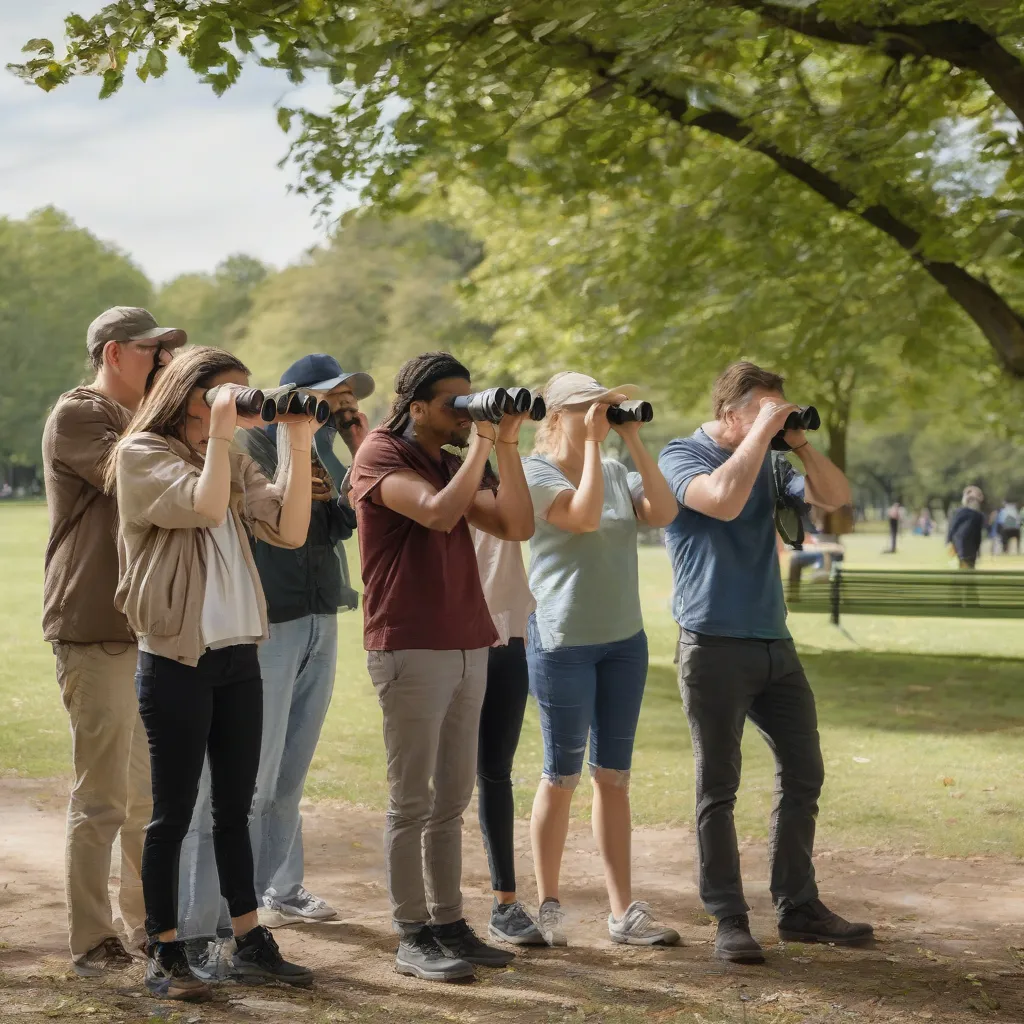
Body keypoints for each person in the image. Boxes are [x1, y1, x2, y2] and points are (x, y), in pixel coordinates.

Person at [107, 347, 315, 1002]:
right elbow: (199, 507)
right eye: (228, 393)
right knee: (171, 812)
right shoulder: (143, 455)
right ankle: (164, 947)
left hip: (237, 654)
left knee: (235, 808)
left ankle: (249, 938)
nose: (240, 403)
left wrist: (297, 442)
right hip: (174, 658)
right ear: (188, 392)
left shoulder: (236, 456)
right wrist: (224, 434)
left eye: (244, 394)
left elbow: (290, 528)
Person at [658, 362, 873, 965]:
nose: (776, 421)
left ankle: (798, 907)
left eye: (782, 410)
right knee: (717, 785)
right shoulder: (682, 455)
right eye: (763, 410)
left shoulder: (777, 459)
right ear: (728, 413)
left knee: (805, 773)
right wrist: (761, 434)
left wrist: (797, 440)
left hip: (774, 643)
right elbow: (722, 502)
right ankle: (728, 916)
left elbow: (837, 505)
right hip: (712, 643)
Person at [175, 355, 374, 979]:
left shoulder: (324, 451)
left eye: (345, 396)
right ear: (296, 396)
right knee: (251, 779)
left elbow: (347, 520)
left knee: (290, 770)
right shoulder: (251, 443)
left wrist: (352, 447)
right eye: (331, 396)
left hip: (321, 613)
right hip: (270, 622)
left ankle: (271, 898)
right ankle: (229, 916)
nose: (339, 403)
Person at [349, 352, 535, 982]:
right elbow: (436, 512)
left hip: (468, 641)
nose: (464, 413)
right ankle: (412, 931)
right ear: (417, 405)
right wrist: (482, 444)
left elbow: (517, 523)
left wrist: (504, 443)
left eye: (471, 401)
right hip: (410, 642)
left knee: (453, 796)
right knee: (412, 801)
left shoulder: (452, 460)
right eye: (455, 404)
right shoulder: (379, 453)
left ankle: (450, 920)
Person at [42, 306, 185, 976]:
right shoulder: (82, 413)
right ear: (116, 352)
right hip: (94, 624)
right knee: (101, 796)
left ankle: (149, 927)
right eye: (155, 352)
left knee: (147, 797)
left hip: (142, 626)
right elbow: (132, 481)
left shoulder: (140, 421)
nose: (164, 364)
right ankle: (92, 938)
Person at [522, 372, 681, 948]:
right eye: (589, 409)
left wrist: (633, 439)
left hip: (623, 642)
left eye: (605, 410)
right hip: (563, 642)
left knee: (613, 778)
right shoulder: (533, 472)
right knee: (561, 776)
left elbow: (662, 513)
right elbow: (582, 517)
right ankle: (549, 905)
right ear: (557, 415)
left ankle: (623, 913)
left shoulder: (614, 470)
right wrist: (591, 444)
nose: (600, 418)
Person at [470, 499, 544, 946]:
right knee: (433, 784)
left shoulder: (506, 476)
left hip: (509, 636)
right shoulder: (431, 468)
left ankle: (505, 904)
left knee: (496, 774)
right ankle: (427, 913)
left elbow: (520, 525)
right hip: (451, 638)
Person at [947, 486, 986, 570]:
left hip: (962, 545)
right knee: (967, 566)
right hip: (966, 546)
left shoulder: (961, 512)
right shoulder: (977, 515)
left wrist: (949, 540)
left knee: (965, 565)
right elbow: (953, 527)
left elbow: (952, 527)